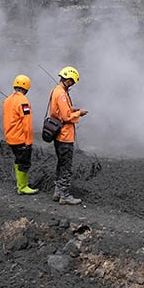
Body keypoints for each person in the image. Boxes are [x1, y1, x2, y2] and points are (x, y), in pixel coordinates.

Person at [49, 66, 88, 205]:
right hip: (65, 135)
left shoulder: (55, 91)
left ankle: (58, 192)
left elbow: (58, 111)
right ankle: (64, 195)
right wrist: (79, 113)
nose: (72, 85)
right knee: (66, 166)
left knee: (60, 164)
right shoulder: (62, 94)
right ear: (68, 80)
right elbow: (66, 117)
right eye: (72, 82)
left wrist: (72, 109)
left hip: (58, 135)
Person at [2, 74, 38, 195]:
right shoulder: (23, 101)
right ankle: (22, 187)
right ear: (26, 87)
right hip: (20, 138)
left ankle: (20, 184)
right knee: (24, 162)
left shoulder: (7, 100)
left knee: (18, 160)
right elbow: (27, 123)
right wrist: (29, 141)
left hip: (10, 137)